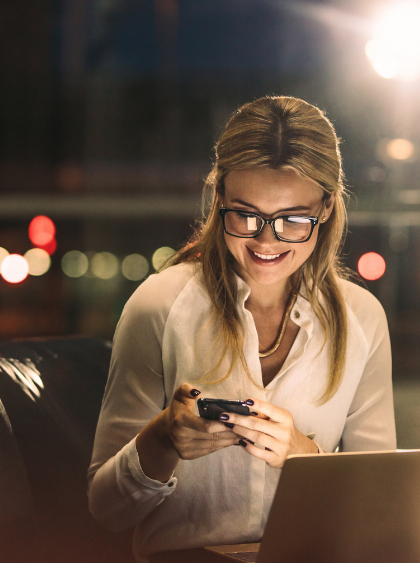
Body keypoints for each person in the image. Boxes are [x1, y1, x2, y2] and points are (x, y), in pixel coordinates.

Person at [87, 96, 396, 562]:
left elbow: (383, 509)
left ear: (327, 208)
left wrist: (305, 458)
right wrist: (163, 438)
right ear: (218, 200)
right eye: (245, 214)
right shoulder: (159, 306)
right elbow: (106, 510)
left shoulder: (362, 319)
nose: (266, 240)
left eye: (293, 220)